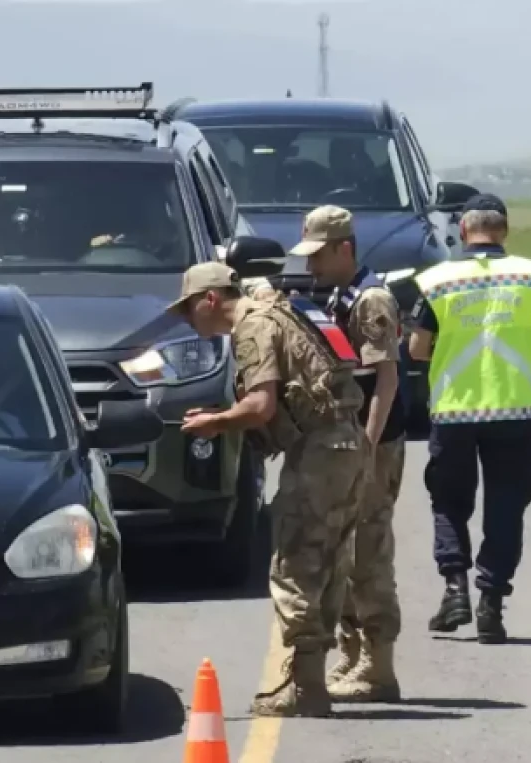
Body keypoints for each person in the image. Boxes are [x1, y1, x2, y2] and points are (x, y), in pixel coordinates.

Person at [167, 261, 369, 718]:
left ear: (210, 300)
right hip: (346, 443)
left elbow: (261, 406)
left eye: (188, 309)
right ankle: (311, 682)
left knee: (296, 564)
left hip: (319, 452)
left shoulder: (252, 327)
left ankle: (303, 686)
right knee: (330, 560)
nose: (188, 320)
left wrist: (215, 423)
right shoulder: (277, 311)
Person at [408, 193, 531, 644]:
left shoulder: (437, 281)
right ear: (505, 231)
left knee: (449, 501)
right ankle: (491, 602)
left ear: (462, 231)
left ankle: (454, 587)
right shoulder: (530, 278)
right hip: (514, 410)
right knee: (507, 505)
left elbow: (418, 349)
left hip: (454, 410)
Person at [287, 205, 407, 702]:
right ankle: (353, 656)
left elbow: (386, 379)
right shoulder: (342, 293)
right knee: (344, 547)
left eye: (319, 255)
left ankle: (378, 666)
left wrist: (368, 444)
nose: (311, 266)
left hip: (369, 444)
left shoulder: (372, 300)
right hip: (348, 441)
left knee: (368, 551)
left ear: (345, 248)